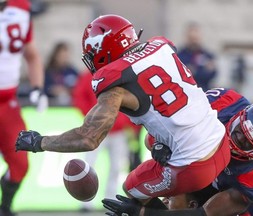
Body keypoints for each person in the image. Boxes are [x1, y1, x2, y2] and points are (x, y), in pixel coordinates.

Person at [15, 14, 231, 208]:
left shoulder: (115, 84)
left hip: (194, 165)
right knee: (151, 142)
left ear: (102, 51)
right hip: (221, 143)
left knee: (131, 188)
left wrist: (39, 142)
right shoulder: (162, 47)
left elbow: (88, 138)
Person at [102, 88, 253, 216]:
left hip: (243, 195)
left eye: (244, 142)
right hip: (206, 169)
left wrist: (144, 214)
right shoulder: (225, 103)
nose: (234, 137)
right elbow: (153, 137)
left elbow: (205, 213)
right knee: (138, 186)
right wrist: (160, 143)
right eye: (238, 128)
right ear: (241, 114)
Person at [0, 0, 47, 215]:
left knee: (20, 163)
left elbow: (31, 54)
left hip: (7, 102)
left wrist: (38, 87)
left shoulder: (20, 9)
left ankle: (5, 207)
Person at [72, 70, 139, 211]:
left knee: (116, 167)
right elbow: (79, 97)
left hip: (117, 130)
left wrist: (129, 125)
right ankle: (86, 203)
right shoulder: (90, 76)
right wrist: (92, 117)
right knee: (88, 165)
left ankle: (111, 200)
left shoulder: (122, 73)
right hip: (97, 129)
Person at [177, 22, 217, 92]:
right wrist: (203, 71)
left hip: (204, 92)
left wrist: (193, 71)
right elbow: (182, 76)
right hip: (186, 93)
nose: (194, 41)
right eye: (191, 38)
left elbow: (213, 74)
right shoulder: (179, 56)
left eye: (195, 38)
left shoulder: (207, 55)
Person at [44, 41, 78, 106]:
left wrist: (69, 91)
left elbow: (80, 86)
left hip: (70, 107)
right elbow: (43, 88)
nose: (65, 58)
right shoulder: (48, 72)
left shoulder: (72, 71)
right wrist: (52, 90)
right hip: (51, 106)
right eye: (62, 56)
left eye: (66, 56)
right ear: (56, 56)